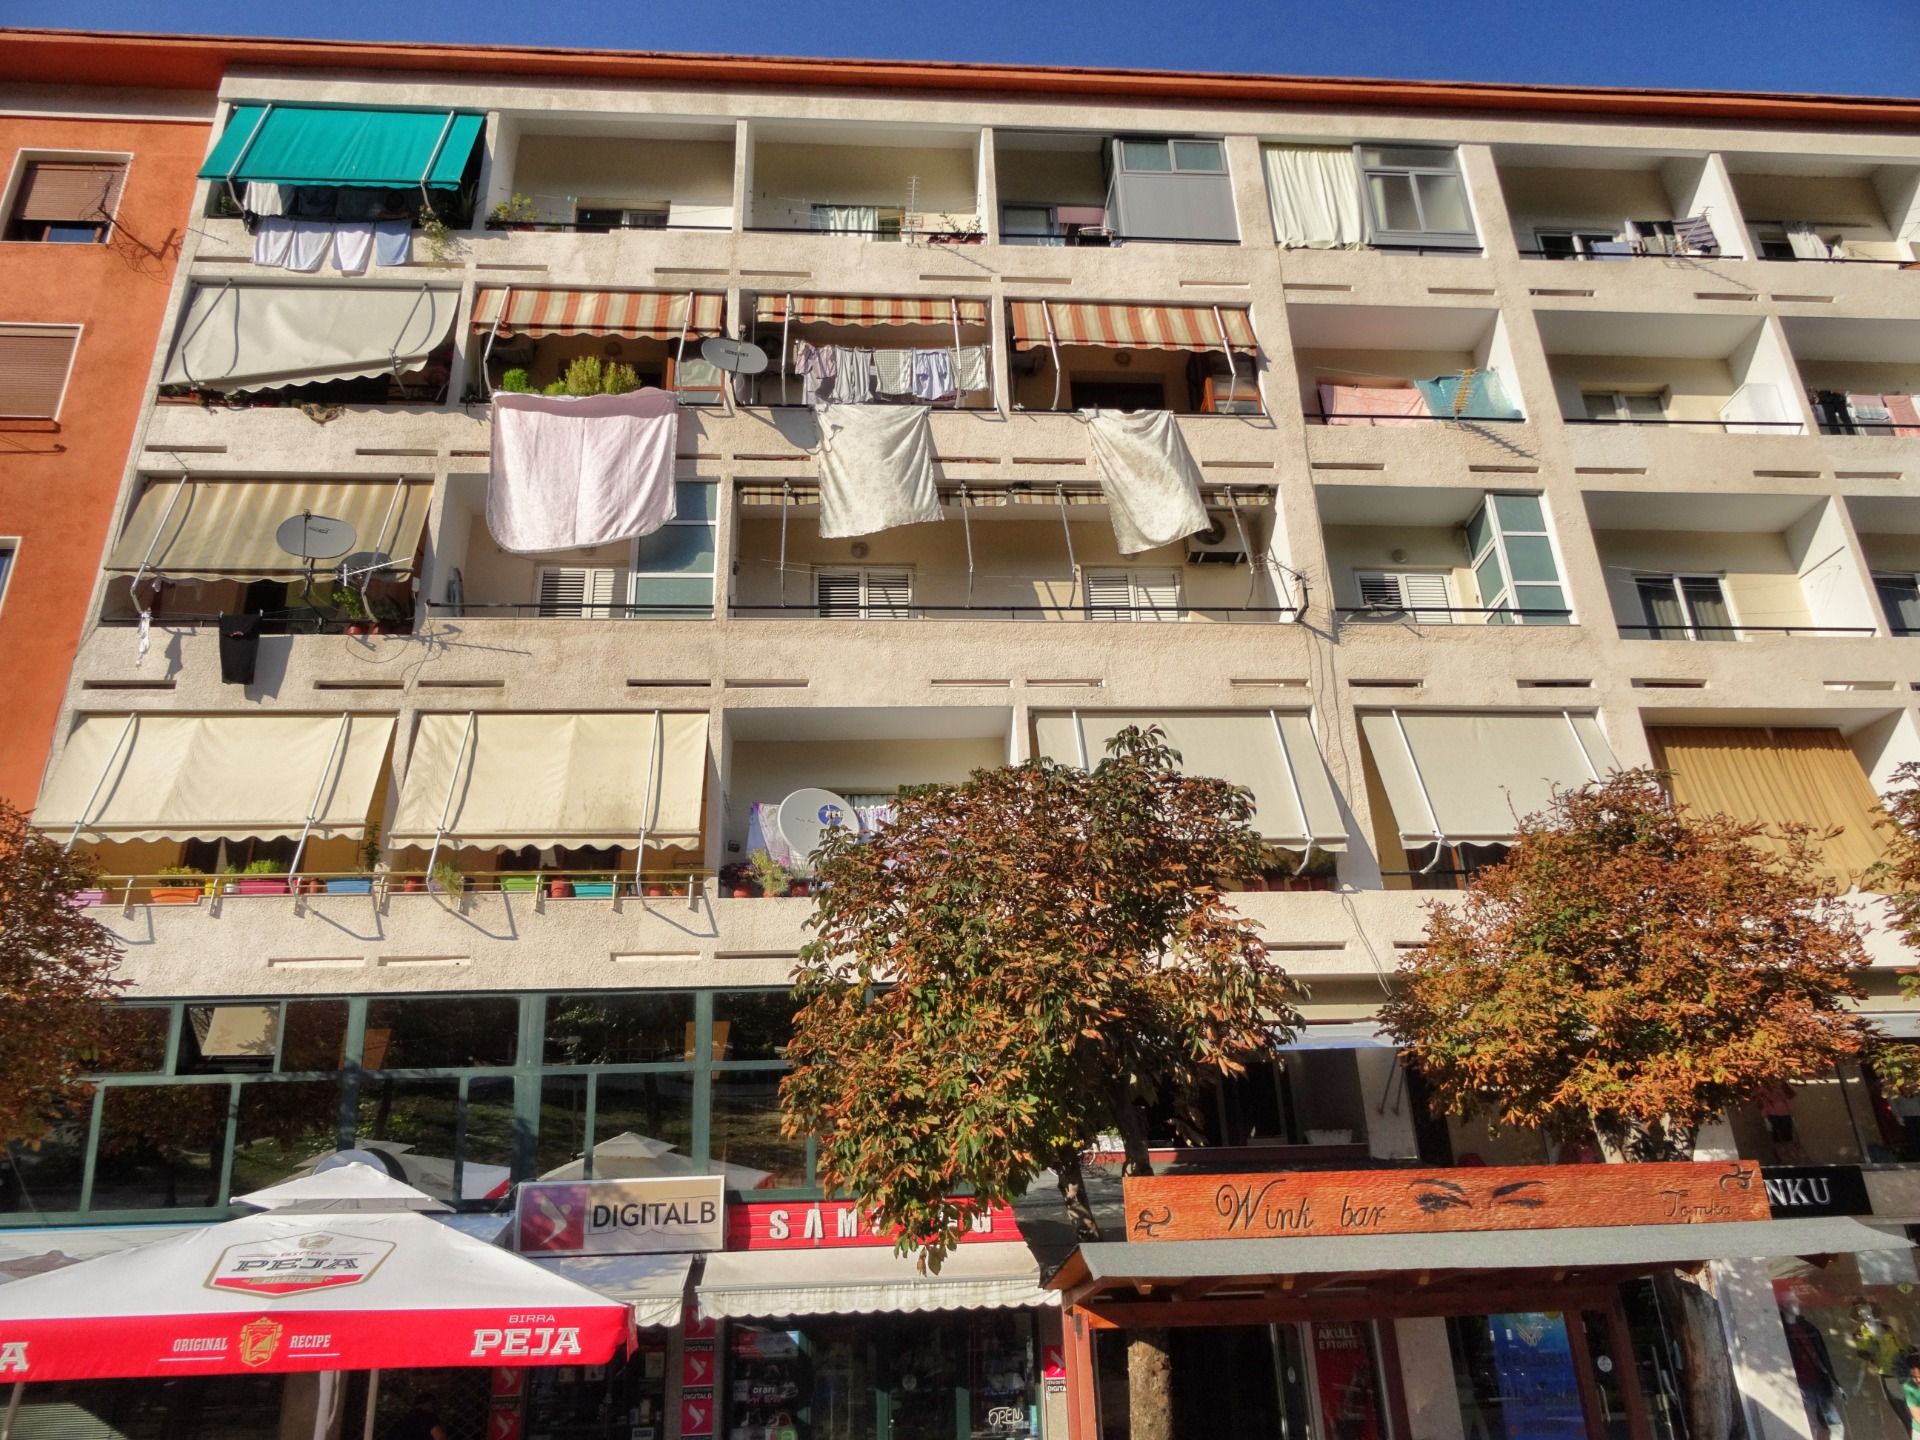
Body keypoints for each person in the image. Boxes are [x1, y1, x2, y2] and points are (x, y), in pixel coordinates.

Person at [382, 1393, 447, 1440]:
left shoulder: (403, 1419)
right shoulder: (428, 1418)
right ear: (429, 1404)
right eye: (434, 1404)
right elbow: (439, 1437)